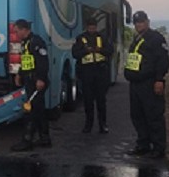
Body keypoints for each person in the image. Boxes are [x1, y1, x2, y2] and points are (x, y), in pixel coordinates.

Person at [124, 11, 169, 159]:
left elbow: (162, 60)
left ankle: (158, 148)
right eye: (136, 23)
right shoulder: (137, 38)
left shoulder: (156, 38)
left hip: (150, 83)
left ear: (148, 22)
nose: (138, 25)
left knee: (153, 115)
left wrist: (159, 80)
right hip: (136, 84)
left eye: (141, 22)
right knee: (137, 115)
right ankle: (143, 145)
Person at [11, 19, 50, 151]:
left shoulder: (36, 42)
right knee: (39, 110)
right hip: (29, 80)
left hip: (36, 81)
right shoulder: (25, 43)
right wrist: (19, 74)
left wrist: (41, 79)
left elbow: (43, 61)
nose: (16, 34)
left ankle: (27, 140)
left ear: (24, 29)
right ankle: (45, 138)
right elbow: (25, 60)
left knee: (30, 111)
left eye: (17, 31)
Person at [72, 18, 113, 133]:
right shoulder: (81, 38)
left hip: (100, 72)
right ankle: (88, 125)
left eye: (94, 27)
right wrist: (86, 51)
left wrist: (101, 50)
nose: (92, 30)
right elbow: (75, 54)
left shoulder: (102, 37)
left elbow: (110, 51)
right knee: (88, 101)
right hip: (86, 73)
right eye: (90, 28)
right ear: (87, 27)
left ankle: (103, 125)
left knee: (101, 101)